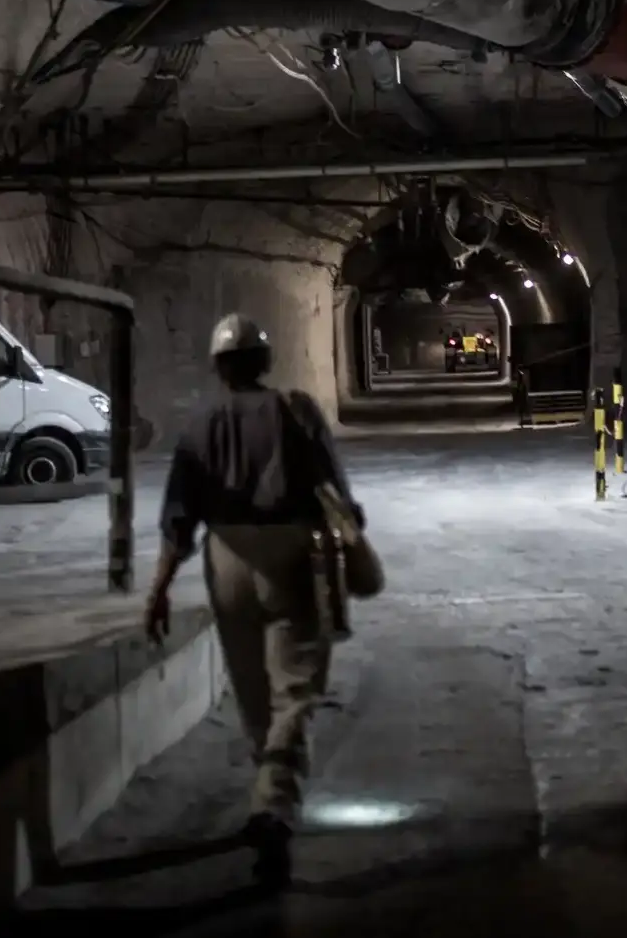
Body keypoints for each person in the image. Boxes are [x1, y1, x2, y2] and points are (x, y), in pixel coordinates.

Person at [142, 312, 360, 889]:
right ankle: (273, 805)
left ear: (217, 367)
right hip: (290, 554)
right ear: (265, 362)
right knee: (297, 688)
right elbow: (338, 492)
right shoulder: (297, 411)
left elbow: (177, 518)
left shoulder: (198, 425)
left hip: (226, 558)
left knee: (253, 690)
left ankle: (268, 792)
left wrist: (160, 589)